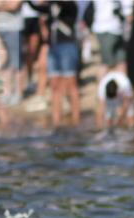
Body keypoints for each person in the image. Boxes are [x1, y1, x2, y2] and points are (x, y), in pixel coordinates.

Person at [44, 0, 81, 128]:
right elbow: (37, 8)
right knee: (54, 86)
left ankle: (76, 120)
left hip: (67, 47)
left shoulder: (71, 5)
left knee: (71, 85)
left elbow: (64, 4)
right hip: (53, 47)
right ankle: (56, 121)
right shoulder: (51, 6)